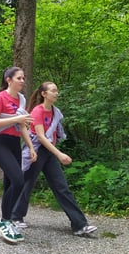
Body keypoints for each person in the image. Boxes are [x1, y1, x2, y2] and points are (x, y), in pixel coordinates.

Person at [11, 82, 98, 236]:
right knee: (27, 184)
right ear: (44, 94)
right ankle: (15, 217)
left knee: (61, 186)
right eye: (53, 90)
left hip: (49, 152)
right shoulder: (37, 111)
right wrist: (59, 154)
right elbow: (41, 137)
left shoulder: (55, 112)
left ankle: (79, 225)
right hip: (36, 150)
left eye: (57, 90)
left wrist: (55, 153)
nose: (56, 93)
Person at [0, 67, 37, 245]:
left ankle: (7, 220)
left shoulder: (21, 99)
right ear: (9, 80)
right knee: (18, 180)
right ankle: (4, 221)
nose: (22, 81)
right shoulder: (0, 97)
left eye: (23, 78)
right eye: (19, 78)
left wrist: (30, 146)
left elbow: (22, 126)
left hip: (14, 143)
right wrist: (16, 119)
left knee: (10, 183)